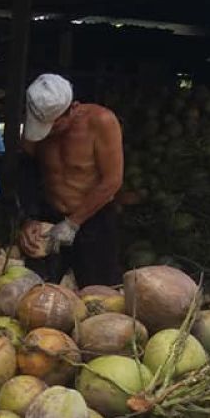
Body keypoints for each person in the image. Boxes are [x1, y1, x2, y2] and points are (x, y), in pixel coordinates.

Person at [17, 74, 124, 287]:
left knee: (99, 293)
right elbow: (27, 172)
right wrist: (29, 218)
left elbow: (112, 181)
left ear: (73, 108)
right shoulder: (36, 123)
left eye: (55, 126)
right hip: (50, 216)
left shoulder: (100, 122)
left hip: (93, 218)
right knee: (37, 290)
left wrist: (73, 222)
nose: (49, 133)